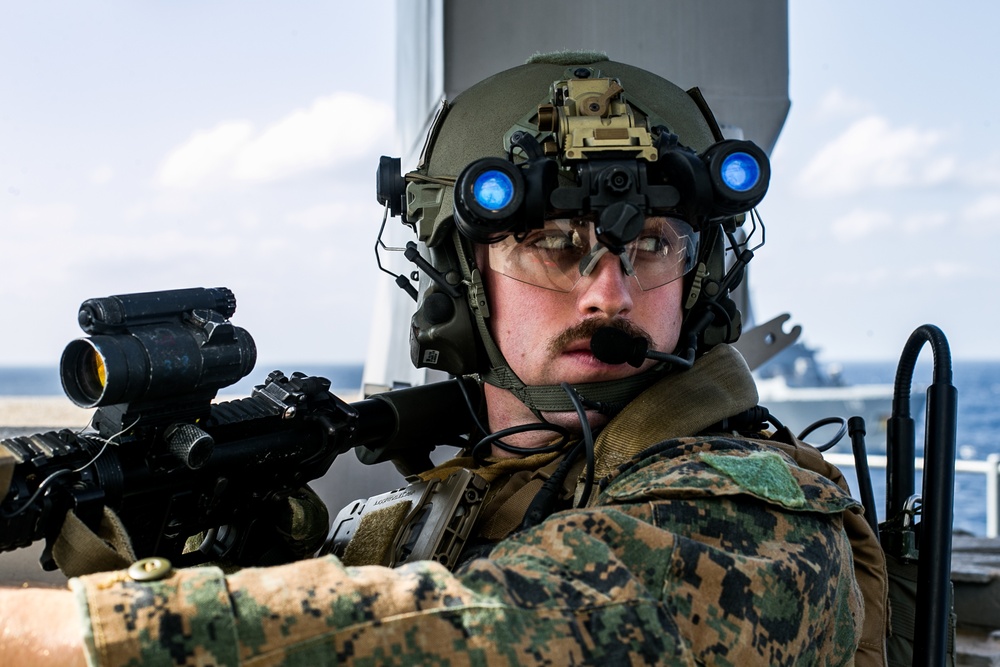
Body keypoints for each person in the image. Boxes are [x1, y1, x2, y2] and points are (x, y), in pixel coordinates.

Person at [0, 52, 887, 666]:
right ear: (459, 282)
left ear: (702, 276)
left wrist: (61, 636)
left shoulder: (753, 512)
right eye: (552, 242)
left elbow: (489, 632)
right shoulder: (476, 485)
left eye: (651, 244)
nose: (609, 295)